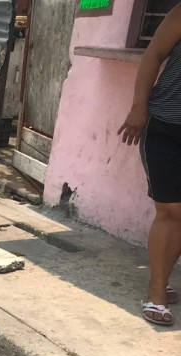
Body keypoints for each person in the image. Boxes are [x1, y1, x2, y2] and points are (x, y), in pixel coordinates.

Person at [119, 4, 181, 325]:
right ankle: (156, 291)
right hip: (166, 126)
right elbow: (153, 55)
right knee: (171, 211)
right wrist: (138, 107)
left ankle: (161, 275)